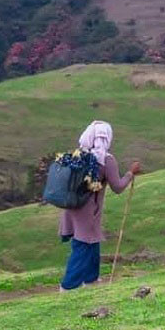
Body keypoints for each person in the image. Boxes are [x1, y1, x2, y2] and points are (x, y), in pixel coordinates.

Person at [59, 121, 140, 291]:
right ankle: (69, 286)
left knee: (91, 242)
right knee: (82, 245)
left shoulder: (78, 155)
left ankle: (91, 279)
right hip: (88, 210)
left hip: (72, 207)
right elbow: (117, 187)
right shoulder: (106, 159)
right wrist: (130, 173)